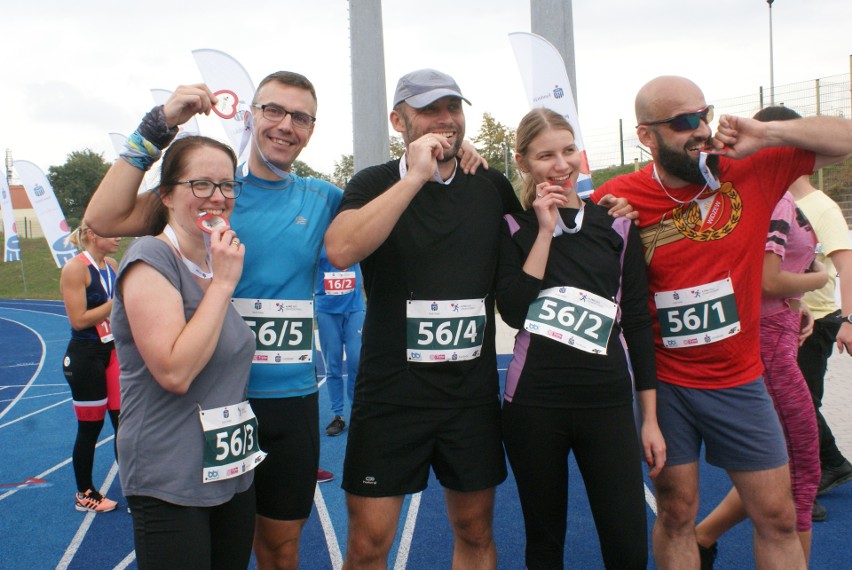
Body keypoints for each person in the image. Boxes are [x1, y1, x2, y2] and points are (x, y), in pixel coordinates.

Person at [86, 72, 487, 570]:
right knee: (207, 548)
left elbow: (373, 223)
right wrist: (158, 125)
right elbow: (102, 219)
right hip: (217, 400)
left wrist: (460, 155)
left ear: (312, 129)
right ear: (251, 116)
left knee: (280, 551)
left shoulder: (322, 197)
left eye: (301, 117)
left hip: (290, 404)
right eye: (273, 111)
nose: (285, 125)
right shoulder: (211, 192)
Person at [590, 75, 852, 569]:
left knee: (776, 515)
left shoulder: (747, 168)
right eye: (683, 121)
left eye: (704, 114)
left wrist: (770, 134)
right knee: (676, 513)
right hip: (665, 385)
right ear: (645, 136)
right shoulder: (618, 197)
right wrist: (608, 226)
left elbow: (846, 140)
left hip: (740, 380)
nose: (700, 129)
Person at [496, 107, 665, 569]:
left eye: (569, 150)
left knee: (627, 542)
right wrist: (546, 231)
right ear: (525, 163)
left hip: (607, 403)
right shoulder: (514, 229)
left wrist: (648, 418)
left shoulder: (618, 226)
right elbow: (513, 310)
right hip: (534, 405)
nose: (561, 164)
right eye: (545, 155)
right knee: (545, 542)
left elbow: (636, 321)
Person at [110, 135, 258, 569]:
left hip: (228, 468)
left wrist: (220, 276)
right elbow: (174, 372)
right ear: (167, 195)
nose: (218, 196)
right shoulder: (149, 259)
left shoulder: (214, 262)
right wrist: (226, 285)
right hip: (170, 474)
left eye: (228, 185)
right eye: (202, 184)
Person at [694, 187, 827, 566]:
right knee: (802, 471)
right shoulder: (775, 199)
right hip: (767, 344)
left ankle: (702, 539)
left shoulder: (766, 198)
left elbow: (783, 268)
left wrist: (799, 302)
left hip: (772, 334)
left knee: (775, 468)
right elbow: (769, 280)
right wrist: (819, 283)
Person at [60, 222, 121, 513]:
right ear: (93, 235)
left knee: (125, 423)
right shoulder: (75, 269)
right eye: (113, 231)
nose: (119, 236)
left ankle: (136, 489)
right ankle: (85, 493)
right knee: (91, 428)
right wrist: (115, 302)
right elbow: (79, 320)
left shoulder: (111, 263)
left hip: (112, 352)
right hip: (85, 356)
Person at [315, 245, 365, 437]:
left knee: (356, 361)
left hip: (354, 308)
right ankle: (338, 416)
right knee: (333, 365)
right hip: (327, 310)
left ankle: (357, 412)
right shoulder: (319, 238)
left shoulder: (354, 235)